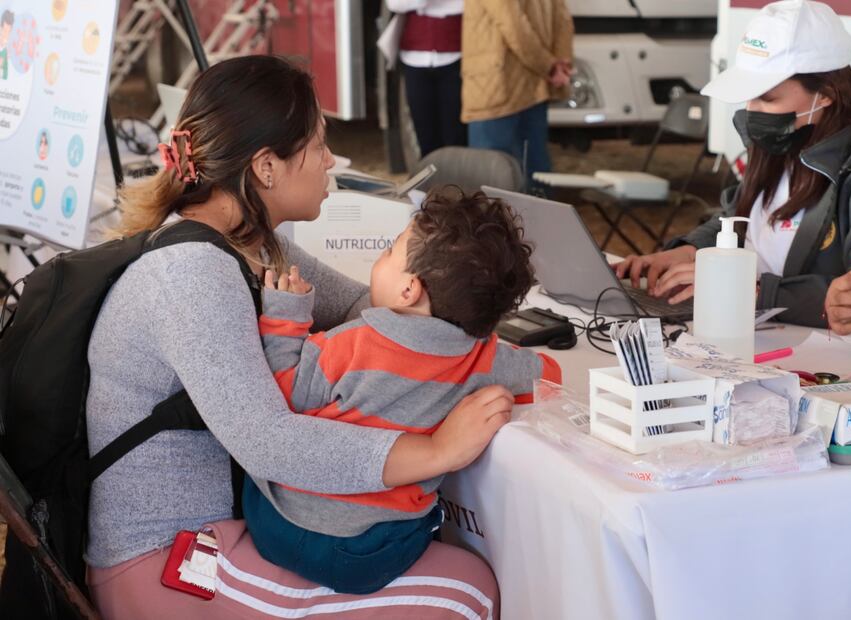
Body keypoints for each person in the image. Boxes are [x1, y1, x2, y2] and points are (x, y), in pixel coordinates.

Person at [85, 55, 506, 619]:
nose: (331, 161)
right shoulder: (192, 274)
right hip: (166, 563)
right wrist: (434, 451)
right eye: (318, 145)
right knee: (466, 588)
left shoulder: (251, 243)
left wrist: (448, 304)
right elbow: (270, 442)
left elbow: (366, 305)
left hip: (223, 534)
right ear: (265, 167)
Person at [246, 189, 561, 594]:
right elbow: (549, 376)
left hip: (279, 527)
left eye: (388, 251)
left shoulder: (347, 344)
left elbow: (285, 393)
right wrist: (496, 353)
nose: (380, 259)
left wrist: (283, 320)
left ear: (409, 290)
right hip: (376, 553)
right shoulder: (485, 361)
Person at [615, 0, 851, 328]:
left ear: (826, 94)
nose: (752, 110)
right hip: (753, 333)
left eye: (767, 98)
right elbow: (740, 221)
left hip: (827, 358)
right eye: (749, 96)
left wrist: (756, 293)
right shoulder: (784, 138)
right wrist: (691, 251)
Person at [461, 0, 573, 187]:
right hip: (534, 86)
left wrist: (551, 66)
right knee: (535, 174)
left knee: (490, 181)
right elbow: (562, 18)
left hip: (494, 88)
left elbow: (512, 23)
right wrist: (559, 63)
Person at [386, 0, 467, 157]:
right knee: (425, 137)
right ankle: (433, 181)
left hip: (455, 56)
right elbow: (394, 4)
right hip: (414, 60)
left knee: (455, 137)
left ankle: (455, 181)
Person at [0, 10, 13, 81]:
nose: (6, 35)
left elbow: (4, 76)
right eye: (4, 30)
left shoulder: (6, 51)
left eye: (9, 32)